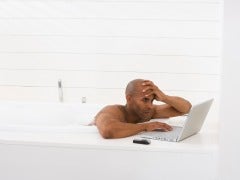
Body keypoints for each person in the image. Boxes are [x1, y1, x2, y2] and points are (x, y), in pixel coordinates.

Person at [93, 79, 192, 139]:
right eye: (145, 100)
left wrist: (164, 97)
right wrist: (145, 127)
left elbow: (185, 109)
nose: (150, 106)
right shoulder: (112, 111)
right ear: (129, 98)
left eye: (152, 101)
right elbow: (108, 131)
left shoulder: (148, 112)